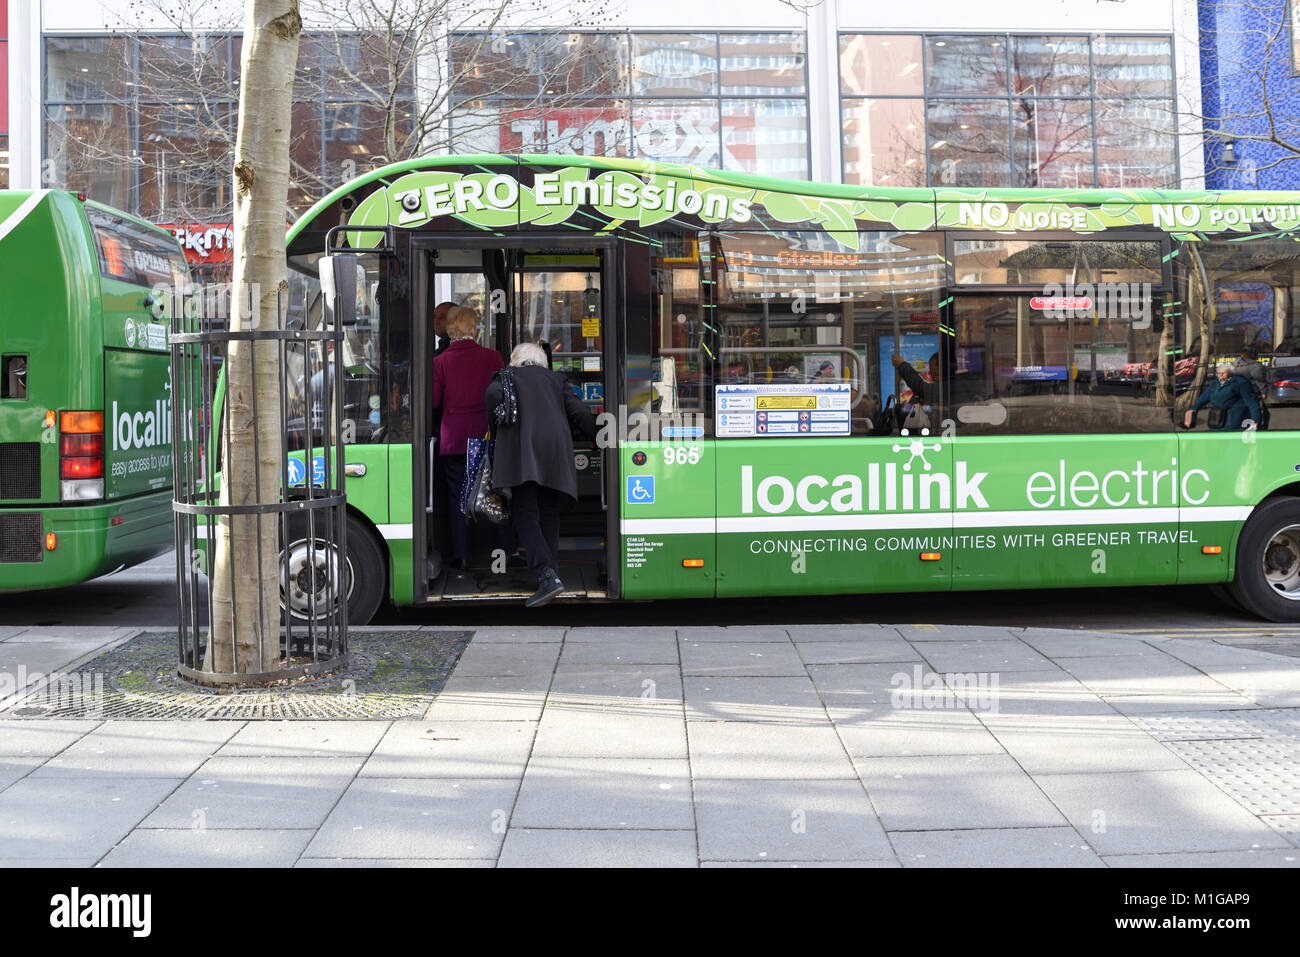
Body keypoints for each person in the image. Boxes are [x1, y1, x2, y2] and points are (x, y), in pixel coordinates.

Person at [485, 341, 597, 608]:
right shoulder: (557, 380)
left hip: (522, 455)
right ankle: (551, 573)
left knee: (525, 513)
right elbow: (579, 412)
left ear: (515, 360)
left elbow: (491, 397)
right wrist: (601, 437)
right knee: (549, 512)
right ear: (542, 362)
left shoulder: (506, 377)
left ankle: (546, 574)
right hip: (555, 454)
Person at [432, 307, 504, 570]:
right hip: (486, 434)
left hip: (454, 438)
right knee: (494, 492)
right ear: (474, 329)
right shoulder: (492, 357)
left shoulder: (439, 362)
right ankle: (500, 551)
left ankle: (461, 555)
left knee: (458, 497)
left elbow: (435, 401)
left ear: (451, 330)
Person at [1184, 362, 1261, 431]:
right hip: (1216, 420)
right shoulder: (1215, 383)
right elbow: (1204, 397)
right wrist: (1193, 409)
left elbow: (1252, 403)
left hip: (1233, 423)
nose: (1220, 375)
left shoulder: (1240, 382)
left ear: (1230, 373)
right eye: (1218, 373)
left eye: (1223, 373)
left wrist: (1255, 421)